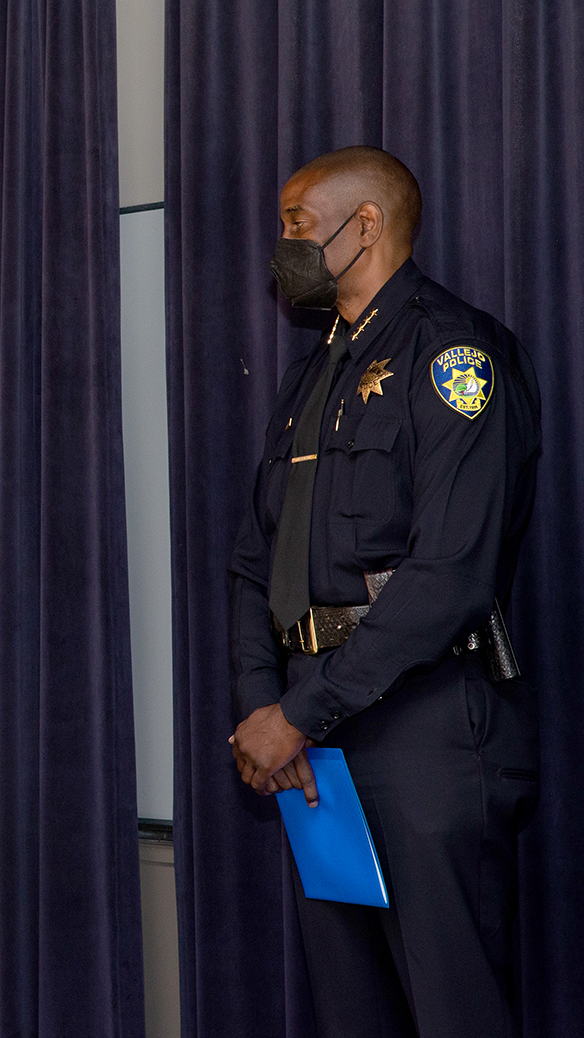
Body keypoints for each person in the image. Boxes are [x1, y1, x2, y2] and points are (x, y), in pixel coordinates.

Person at [228, 146, 541, 1038]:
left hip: (425, 729)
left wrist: (301, 711)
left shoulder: (456, 356)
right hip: (316, 739)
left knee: (454, 1009)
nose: (281, 245)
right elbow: (255, 558)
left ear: (364, 225)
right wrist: (266, 706)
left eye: (295, 225)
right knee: (353, 1010)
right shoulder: (313, 373)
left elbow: (452, 574)